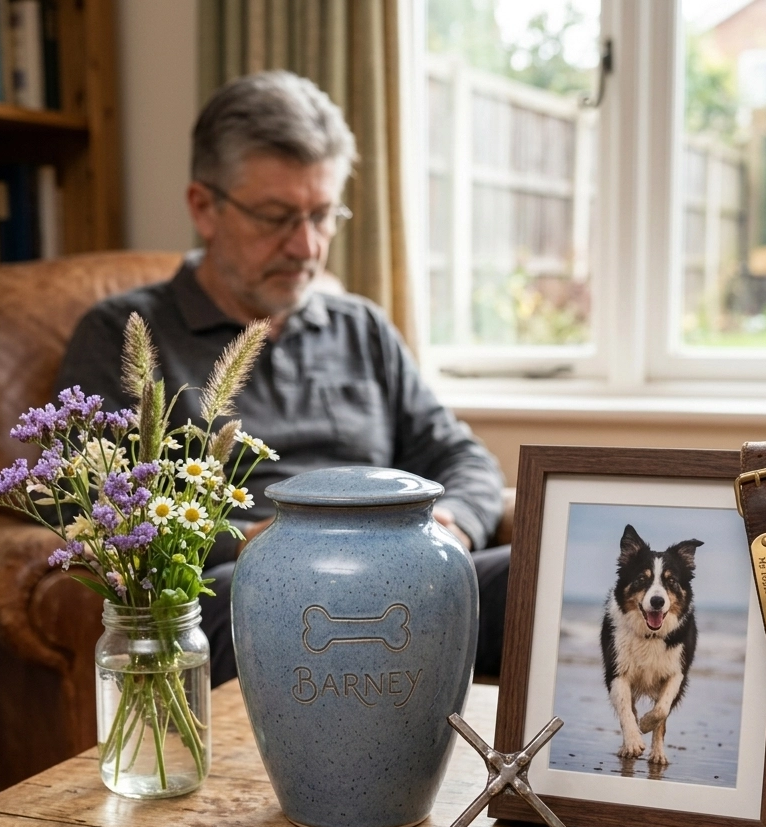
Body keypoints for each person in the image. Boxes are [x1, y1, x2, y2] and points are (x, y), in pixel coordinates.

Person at [56, 70, 510, 684]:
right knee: (248, 608)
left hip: (402, 571)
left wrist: (450, 527)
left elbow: (463, 457)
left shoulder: (362, 329)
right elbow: (102, 509)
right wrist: (269, 545)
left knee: (550, 579)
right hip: (243, 591)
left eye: (323, 215)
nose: (306, 246)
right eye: (276, 217)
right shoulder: (123, 334)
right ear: (203, 207)